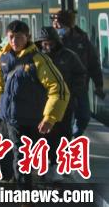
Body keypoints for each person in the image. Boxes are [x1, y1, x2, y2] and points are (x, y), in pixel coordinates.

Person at [0, 20, 69, 190]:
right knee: (20, 157)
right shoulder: (2, 57)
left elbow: (59, 89)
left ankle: (29, 186)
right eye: (11, 37)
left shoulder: (38, 59)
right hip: (12, 119)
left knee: (30, 156)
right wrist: (1, 105)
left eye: (19, 37)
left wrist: (50, 117)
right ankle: (25, 194)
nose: (14, 41)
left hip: (35, 120)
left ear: (28, 37)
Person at [35, 26, 86, 182]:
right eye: (45, 43)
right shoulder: (35, 57)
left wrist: (73, 93)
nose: (48, 46)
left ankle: (57, 165)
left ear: (57, 41)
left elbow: (81, 74)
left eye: (51, 42)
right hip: (42, 105)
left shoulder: (69, 56)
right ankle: (44, 166)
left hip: (65, 104)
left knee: (63, 134)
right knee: (43, 135)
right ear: (40, 43)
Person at [51, 10, 105, 137]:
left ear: (68, 25)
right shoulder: (50, 39)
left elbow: (93, 63)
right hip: (58, 88)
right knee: (63, 119)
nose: (56, 26)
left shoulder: (82, 39)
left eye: (59, 24)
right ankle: (65, 141)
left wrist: (98, 84)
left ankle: (75, 136)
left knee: (84, 116)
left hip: (79, 86)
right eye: (54, 23)